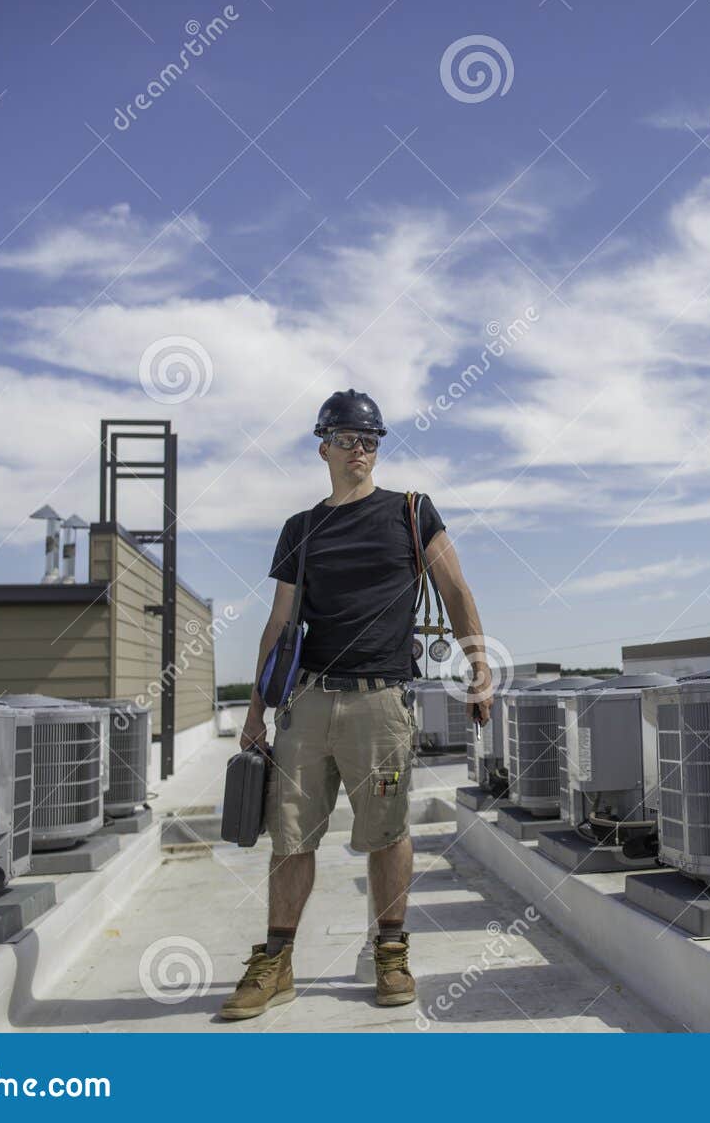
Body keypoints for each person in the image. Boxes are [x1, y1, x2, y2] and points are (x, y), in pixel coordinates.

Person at [220, 389, 491, 1020]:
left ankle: (391, 952)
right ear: (324, 447)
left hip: (382, 703)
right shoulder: (302, 529)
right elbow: (278, 622)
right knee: (290, 837)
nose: (360, 449)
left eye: (369, 440)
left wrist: (480, 667)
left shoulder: (412, 512)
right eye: (347, 438)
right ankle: (277, 963)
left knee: (388, 833)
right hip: (308, 704)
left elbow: (454, 588)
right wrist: (256, 710)